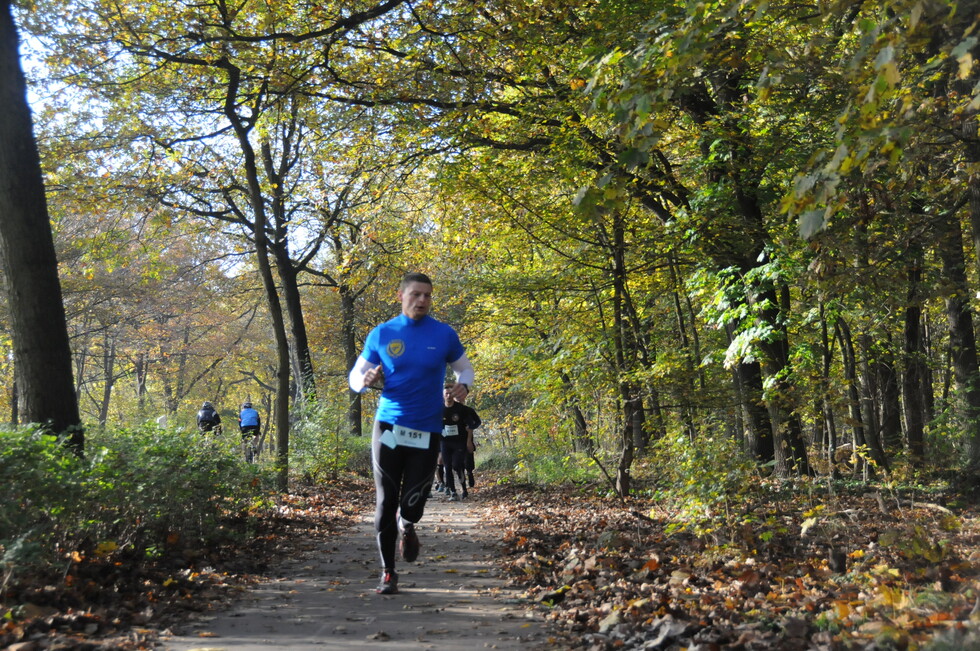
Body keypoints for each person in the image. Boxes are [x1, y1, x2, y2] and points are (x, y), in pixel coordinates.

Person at [349, 272, 474, 595]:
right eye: (416, 294)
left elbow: (465, 367)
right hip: (388, 427)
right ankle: (388, 572)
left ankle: (408, 525)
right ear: (401, 295)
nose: (422, 300)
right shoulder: (382, 333)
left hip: (427, 428)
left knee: (413, 504)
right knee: (386, 499)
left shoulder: (444, 334)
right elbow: (356, 375)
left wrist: (464, 385)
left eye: (428, 295)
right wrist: (365, 381)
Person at [441, 387, 480, 501]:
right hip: (445, 442)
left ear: (453, 395)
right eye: (446, 394)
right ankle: (453, 492)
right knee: (447, 467)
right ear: (443, 395)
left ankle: (464, 489)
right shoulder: (438, 410)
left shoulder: (462, 409)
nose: (448, 396)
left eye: (450, 393)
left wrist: (470, 428)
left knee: (457, 466)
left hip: (459, 442)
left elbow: (476, 421)